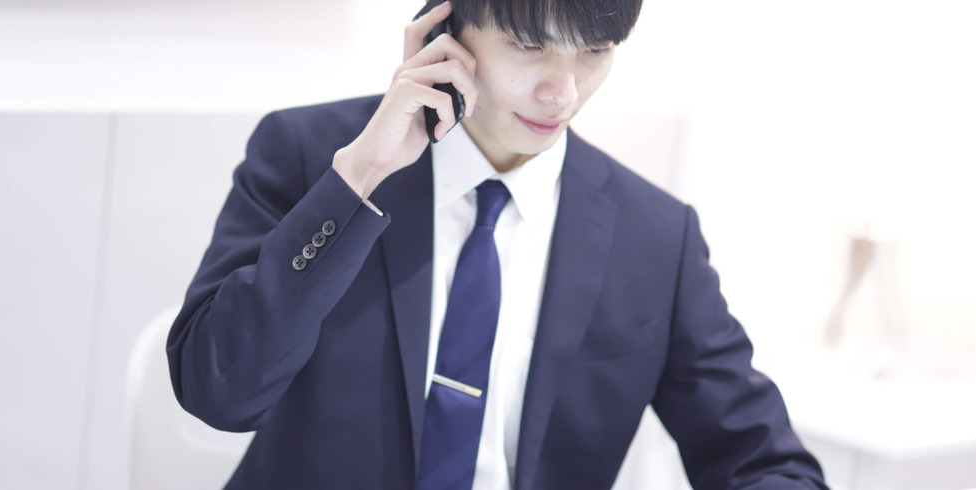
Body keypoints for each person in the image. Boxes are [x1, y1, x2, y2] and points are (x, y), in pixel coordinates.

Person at [166, 0, 828, 488]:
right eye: (530, 45)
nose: (563, 92)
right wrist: (360, 179)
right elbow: (217, 392)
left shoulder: (656, 237)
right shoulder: (311, 157)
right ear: (444, 31)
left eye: (594, 52)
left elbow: (764, 462)